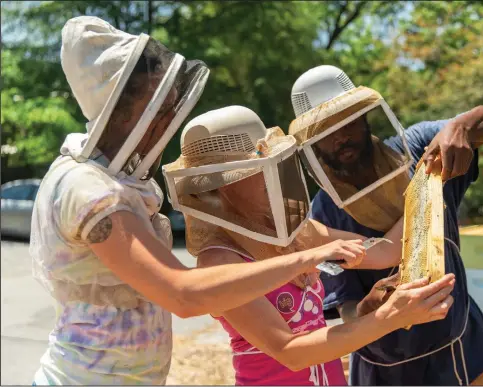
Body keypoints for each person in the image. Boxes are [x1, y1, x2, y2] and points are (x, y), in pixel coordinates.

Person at [29, 18, 365, 386]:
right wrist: (303, 258)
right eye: (159, 103)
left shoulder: (113, 181)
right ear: (122, 108)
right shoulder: (88, 188)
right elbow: (184, 294)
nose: (170, 115)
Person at [162, 105, 457, 386]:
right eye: (254, 170)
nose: (272, 174)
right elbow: (290, 351)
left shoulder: (299, 231)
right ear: (219, 185)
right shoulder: (220, 262)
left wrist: (426, 185)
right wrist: (390, 317)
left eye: (273, 164)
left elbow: (384, 251)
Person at [288, 65, 483, 386]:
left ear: (365, 116)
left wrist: (463, 126)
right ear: (313, 146)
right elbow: (346, 307)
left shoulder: (420, 145)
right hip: (383, 362)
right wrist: (370, 305)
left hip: (455, 339)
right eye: (324, 133)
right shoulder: (324, 209)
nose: (340, 137)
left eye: (346, 121)